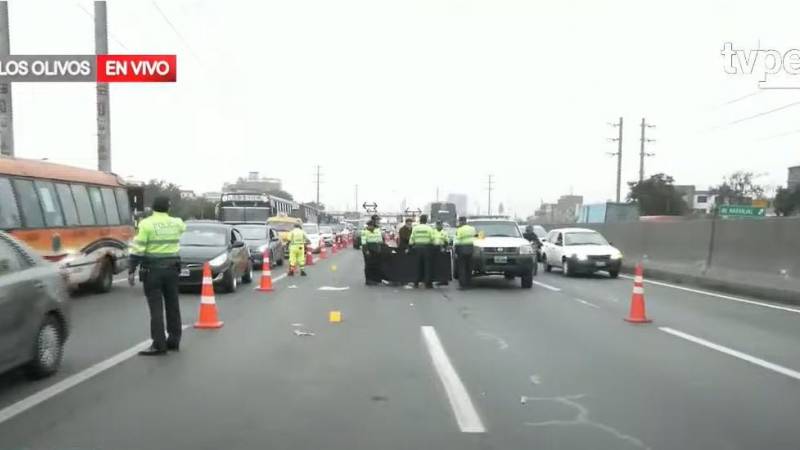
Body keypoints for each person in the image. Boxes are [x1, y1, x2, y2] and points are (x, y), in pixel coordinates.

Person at [128, 196, 186, 356]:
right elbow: (182, 228)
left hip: (152, 271)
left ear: (153, 208)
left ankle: (159, 344)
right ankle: (174, 341)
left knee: (156, 308)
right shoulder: (177, 223)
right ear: (168, 208)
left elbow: (138, 248)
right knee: (173, 305)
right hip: (172, 269)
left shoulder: (146, 224)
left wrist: (131, 269)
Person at [410, 214, 436, 288]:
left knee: (417, 266)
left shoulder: (415, 228)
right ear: (426, 220)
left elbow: (412, 239)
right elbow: (432, 239)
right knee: (427, 266)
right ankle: (427, 283)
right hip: (427, 248)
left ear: (420, 220)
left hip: (417, 248)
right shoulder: (429, 228)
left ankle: (416, 282)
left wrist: (410, 246)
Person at [454, 216, 477, 289]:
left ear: (461, 221)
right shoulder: (472, 228)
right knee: (469, 267)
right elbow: (475, 236)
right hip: (470, 249)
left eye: (459, 221)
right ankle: (469, 283)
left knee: (462, 267)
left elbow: (457, 241)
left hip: (462, 249)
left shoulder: (459, 230)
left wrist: (456, 251)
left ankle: (463, 285)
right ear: (466, 221)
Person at [361, 220, 385, 285]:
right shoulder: (364, 232)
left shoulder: (377, 231)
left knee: (377, 265)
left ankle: (376, 280)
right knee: (368, 265)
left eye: (371, 225)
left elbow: (380, 240)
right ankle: (368, 280)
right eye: (369, 225)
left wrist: (382, 247)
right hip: (368, 249)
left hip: (376, 249)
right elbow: (363, 242)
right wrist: (366, 251)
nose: (370, 226)